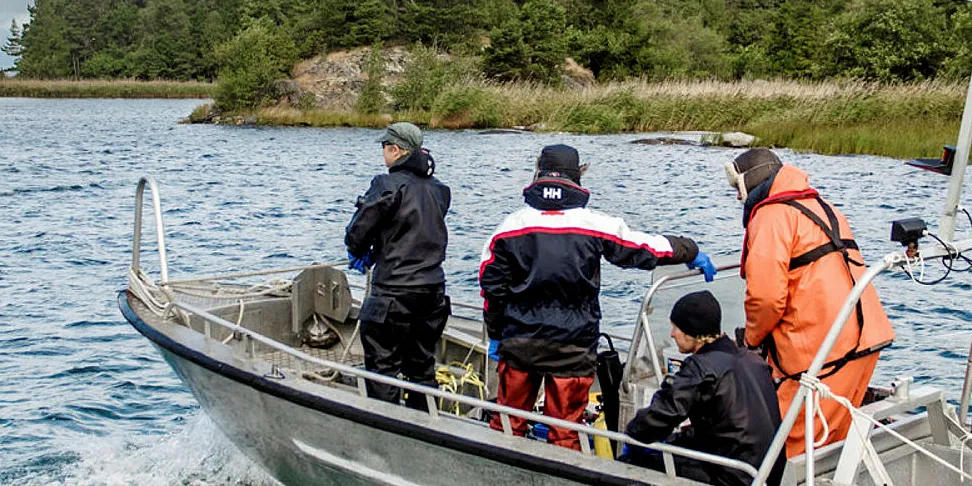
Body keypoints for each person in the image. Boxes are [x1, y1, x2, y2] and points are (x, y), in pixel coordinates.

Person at [479, 144, 717, 450]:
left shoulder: (508, 227)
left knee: (507, 426)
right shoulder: (596, 225)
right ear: (578, 177)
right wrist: (691, 250)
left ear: (537, 173)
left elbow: (491, 288)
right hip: (573, 346)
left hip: (520, 344)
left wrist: (497, 335)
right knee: (565, 433)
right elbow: (646, 249)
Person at [725, 148, 895, 457]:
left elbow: (765, 298)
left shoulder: (771, 216)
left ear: (750, 181)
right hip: (864, 339)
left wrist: (750, 340)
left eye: (737, 187)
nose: (738, 197)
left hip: (824, 353)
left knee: (788, 449)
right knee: (835, 444)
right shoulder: (822, 206)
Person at [622, 290, 784, 486]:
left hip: (732, 476)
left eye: (676, 328)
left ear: (691, 331)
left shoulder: (700, 367)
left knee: (633, 463)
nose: (672, 334)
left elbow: (663, 413)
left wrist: (632, 433)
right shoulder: (752, 360)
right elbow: (726, 425)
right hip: (768, 471)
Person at [345, 122, 452, 411]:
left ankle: (386, 431)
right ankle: (427, 426)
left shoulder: (387, 184)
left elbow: (358, 231)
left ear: (395, 149)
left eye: (384, 148)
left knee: (383, 367)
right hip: (432, 292)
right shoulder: (440, 191)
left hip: (394, 291)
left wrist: (358, 252)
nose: (383, 154)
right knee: (421, 366)